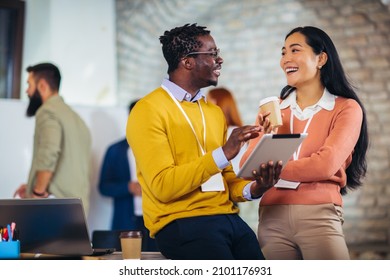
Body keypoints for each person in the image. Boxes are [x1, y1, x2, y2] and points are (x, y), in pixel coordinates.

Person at [126, 23, 282, 260]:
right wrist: (223, 153)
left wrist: (256, 187)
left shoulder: (213, 112)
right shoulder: (147, 110)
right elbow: (163, 186)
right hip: (181, 221)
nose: (220, 60)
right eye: (212, 54)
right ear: (187, 62)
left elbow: (226, 180)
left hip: (228, 218)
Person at [240, 26, 369, 260]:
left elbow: (324, 165)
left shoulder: (346, 108)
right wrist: (261, 134)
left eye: (295, 50)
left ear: (321, 58)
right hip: (272, 217)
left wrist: (271, 168)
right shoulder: (274, 109)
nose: (286, 59)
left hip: (319, 215)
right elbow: (249, 167)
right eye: (283, 52)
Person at [14, 62, 92, 214]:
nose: (27, 91)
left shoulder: (47, 111)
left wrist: (37, 193)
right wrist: (31, 185)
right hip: (77, 208)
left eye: (29, 84)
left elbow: (49, 153)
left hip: (54, 207)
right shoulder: (76, 119)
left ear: (42, 86)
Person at [98, 99, 157, 251]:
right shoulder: (115, 150)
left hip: (155, 223)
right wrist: (128, 187)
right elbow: (104, 187)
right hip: (124, 223)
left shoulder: (161, 149)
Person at [207, 87, 258, 230]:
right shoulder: (239, 131)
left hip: (227, 187)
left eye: (208, 99)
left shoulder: (226, 133)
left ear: (216, 102)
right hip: (239, 188)